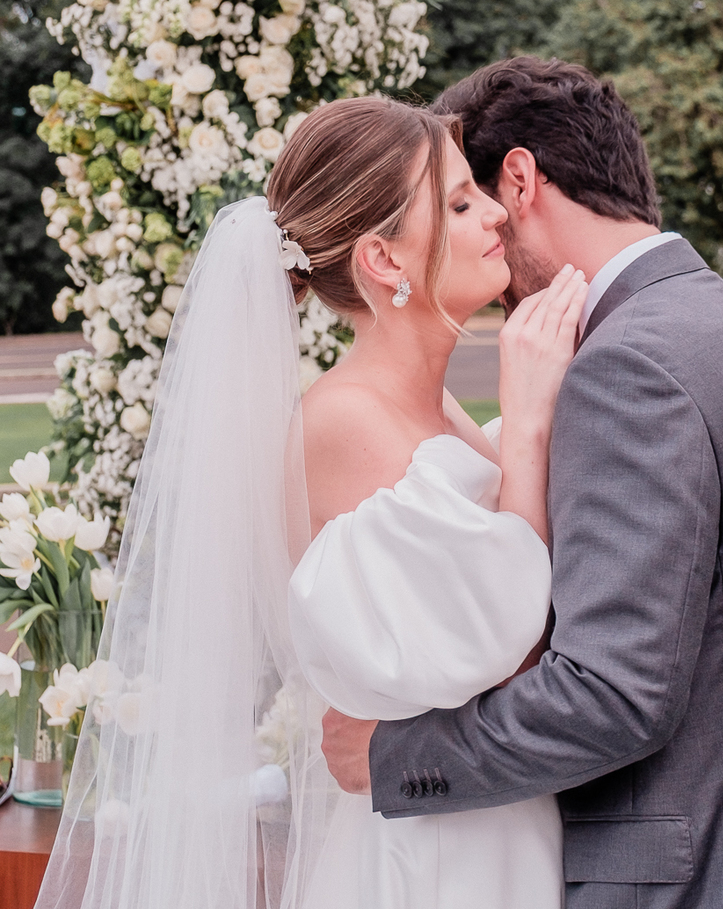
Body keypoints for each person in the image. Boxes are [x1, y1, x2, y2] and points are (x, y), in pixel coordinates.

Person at [322, 56, 723, 909]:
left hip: (708, 871)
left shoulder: (626, 366)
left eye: (472, 200)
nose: (477, 229)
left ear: (520, 180)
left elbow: (615, 695)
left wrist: (392, 756)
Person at [36, 95, 588, 909]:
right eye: (461, 202)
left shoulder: (435, 410)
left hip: (491, 823)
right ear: (385, 261)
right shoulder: (341, 423)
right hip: (437, 859)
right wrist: (532, 417)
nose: (495, 217)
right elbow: (508, 640)